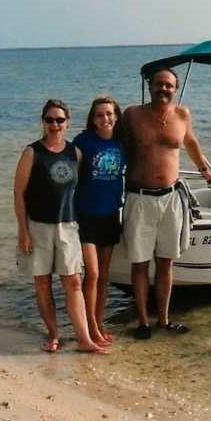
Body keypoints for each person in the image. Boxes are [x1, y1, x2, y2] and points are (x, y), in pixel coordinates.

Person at [122, 68, 211, 340]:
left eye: (169, 85)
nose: (163, 89)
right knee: (139, 263)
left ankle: (163, 319)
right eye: (159, 84)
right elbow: (113, 143)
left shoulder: (182, 115)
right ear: (149, 86)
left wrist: (204, 169)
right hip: (139, 198)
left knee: (166, 262)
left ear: (175, 89)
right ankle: (143, 322)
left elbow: (190, 142)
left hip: (172, 198)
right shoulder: (132, 115)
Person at [13, 99, 107, 354]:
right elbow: (18, 193)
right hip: (38, 227)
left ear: (67, 123)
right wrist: (23, 231)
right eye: (50, 120)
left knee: (73, 282)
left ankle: (84, 340)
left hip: (68, 227)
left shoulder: (74, 153)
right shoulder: (32, 152)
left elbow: (84, 188)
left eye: (60, 120)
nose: (55, 125)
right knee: (42, 283)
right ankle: (54, 334)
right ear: (43, 122)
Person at [73, 95, 125, 346]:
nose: (105, 118)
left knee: (104, 275)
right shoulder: (83, 142)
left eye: (109, 113)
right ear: (92, 119)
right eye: (99, 114)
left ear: (116, 116)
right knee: (91, 274)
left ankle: (98, 322)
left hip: (111, 214)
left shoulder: (121, 143)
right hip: (86, 216)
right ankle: (91, 327)